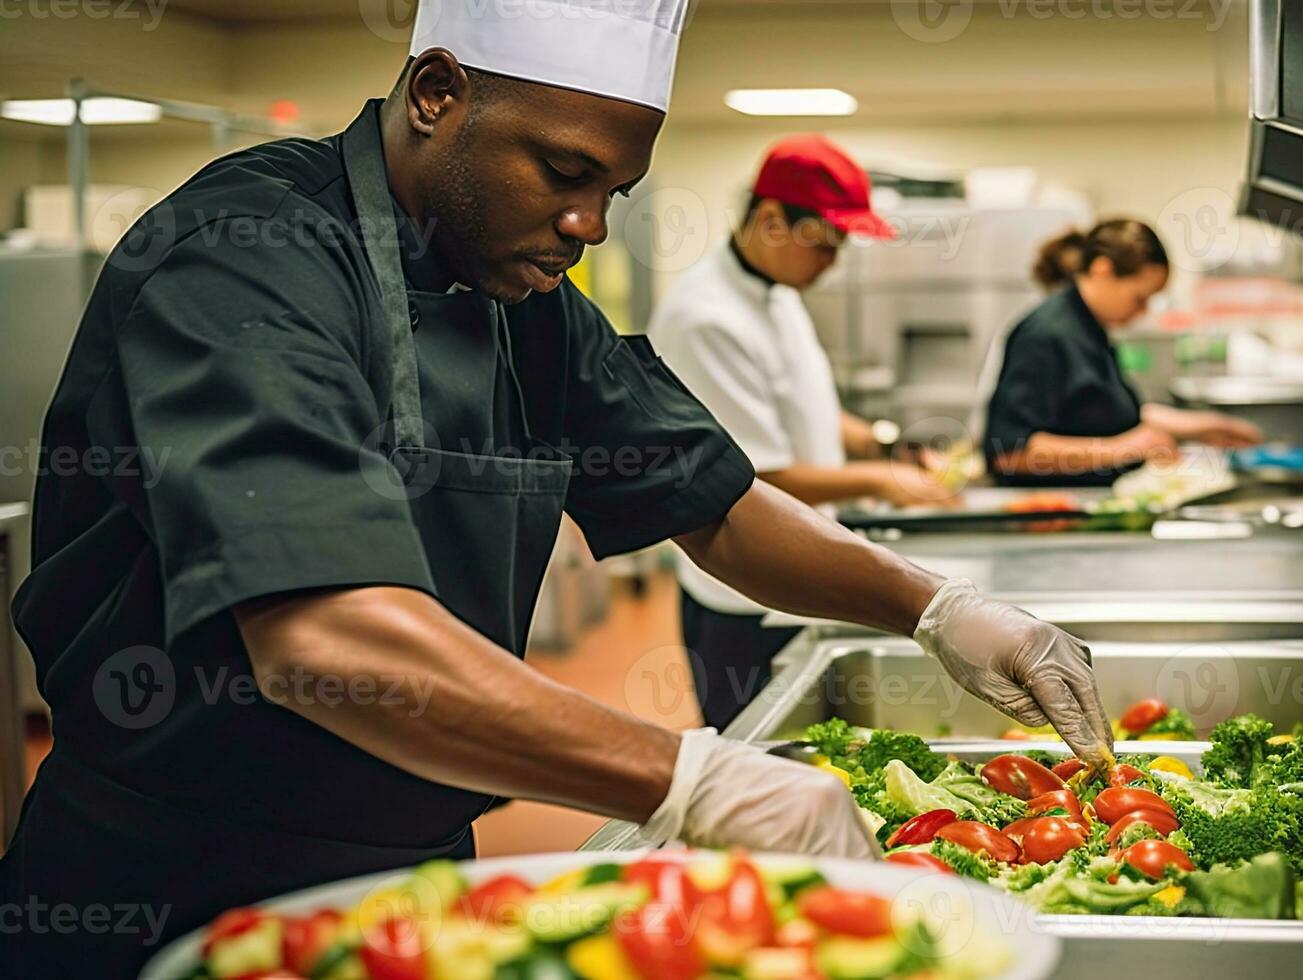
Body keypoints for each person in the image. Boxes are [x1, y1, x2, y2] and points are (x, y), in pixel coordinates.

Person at [0, 3, 1110, 973]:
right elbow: (322, 635)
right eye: (566, 174)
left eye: (617, 190)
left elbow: (710, 497)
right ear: (437, 91)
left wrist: (936, 605)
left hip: (415, 873)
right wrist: (690, 776)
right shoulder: (246, 253)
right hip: (174, 873)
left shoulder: (519, 293)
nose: (590, 227)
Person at [648, 135, 955, 728]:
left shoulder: (778, 294)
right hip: (742, 594)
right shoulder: (706, 317)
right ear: (769, 220)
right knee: (758, 768)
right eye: (824, 243)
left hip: (794, 566)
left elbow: (798, 404)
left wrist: (886, 444)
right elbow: (753, 476)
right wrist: (881, 480)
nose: (833, 262)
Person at [983, 218, 1263, 486]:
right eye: (1139, 299)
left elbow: (1109, 413)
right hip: (1051, 515)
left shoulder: (1089, 329)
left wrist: (1202, 426)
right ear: (1102, 271)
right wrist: (1125, 447)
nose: (1141, 313)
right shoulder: (1046, 336)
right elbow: (1009, 454)